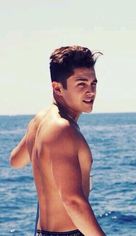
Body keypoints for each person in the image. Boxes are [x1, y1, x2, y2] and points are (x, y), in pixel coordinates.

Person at [9, 45, 106, 236]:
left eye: (93, 83)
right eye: (81, 84)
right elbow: (73, 201)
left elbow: (15, 160)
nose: (91, 91)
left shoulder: (41, 119)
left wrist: (44, 159)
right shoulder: (62, 129)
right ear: (57, 88)